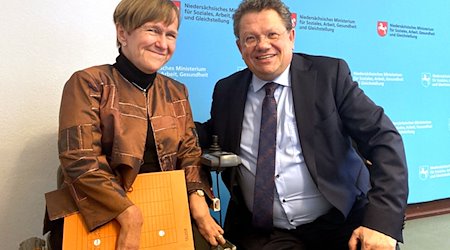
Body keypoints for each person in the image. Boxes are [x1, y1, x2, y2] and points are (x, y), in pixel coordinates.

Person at [195, 0, 408, 249]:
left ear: (291, 37)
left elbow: (383, 139)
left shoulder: (330, 75)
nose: (263, 45)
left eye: (272, 34)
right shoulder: (226, 90)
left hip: (340, 219)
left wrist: (381, 223)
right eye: (250, 38)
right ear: (240, 47)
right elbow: (209, 134)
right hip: (265, 231)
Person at [43, 0, 226, 249]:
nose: (162, 43)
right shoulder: (87, 83)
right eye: (152, 30)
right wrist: (129, 215)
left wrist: (196, 198)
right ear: (122, 32)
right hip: (99, 206)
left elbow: (189, 153)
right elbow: (80, 159)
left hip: (164, 204)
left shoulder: (176, 90)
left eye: (170, 34)